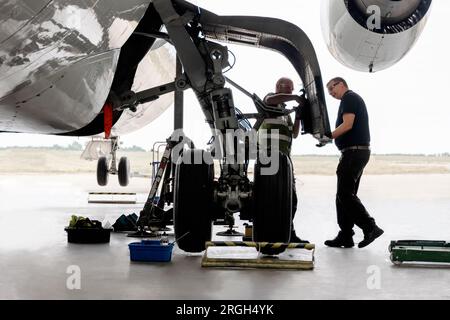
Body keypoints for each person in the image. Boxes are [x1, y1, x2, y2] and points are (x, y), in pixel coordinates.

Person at [324, 77, 383, 248]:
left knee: (344, 195)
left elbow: (348, 124)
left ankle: (370, 227)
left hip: (354, 152)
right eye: (329, 92)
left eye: (332, 89)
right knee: (343, 196)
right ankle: (346, 235)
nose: (331, 93)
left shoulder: (349, 98)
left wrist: (328, 136)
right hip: (355, 152)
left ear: (341, 84)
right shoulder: (350, 99)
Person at [262, 77, 308, 243]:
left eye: (291, 89)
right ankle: (269, 233)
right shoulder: (269, 102)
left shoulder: (285, 114)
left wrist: (298, 116)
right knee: (270, 199)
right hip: (269, 160)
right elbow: (270, 100)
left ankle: (289, 232)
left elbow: (294, 134)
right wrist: (295, 98)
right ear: (277, 87)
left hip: (285, 161)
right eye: (287, 89)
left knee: (291, 199)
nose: (290, 92)